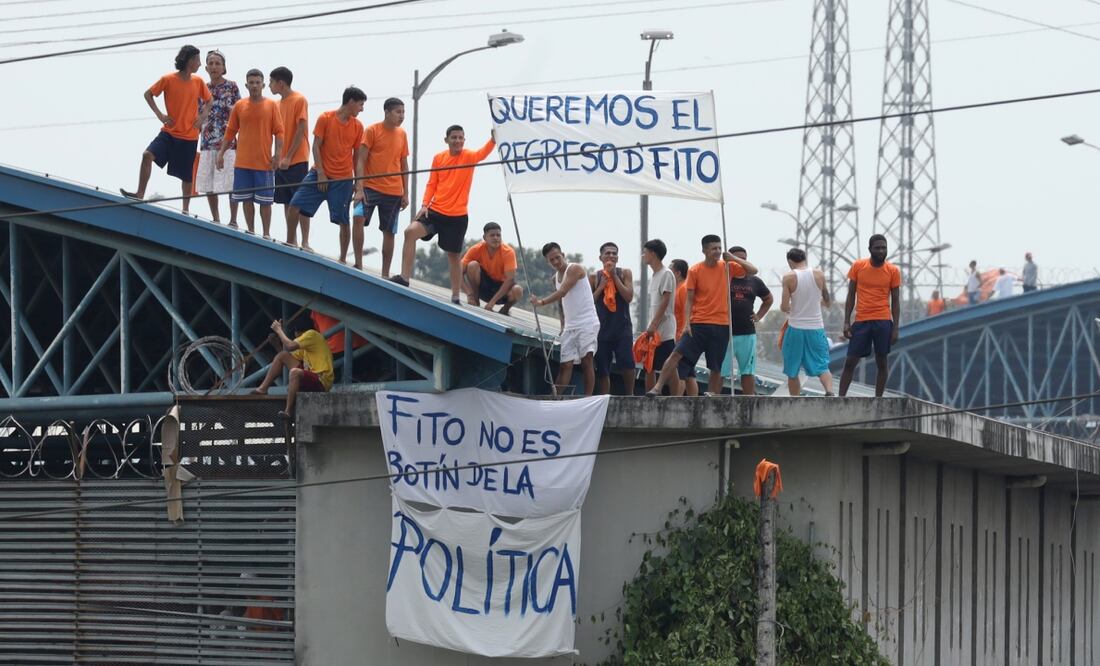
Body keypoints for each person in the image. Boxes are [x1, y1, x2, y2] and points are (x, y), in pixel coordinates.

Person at [391, 125, 496, 303]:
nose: (457, 141)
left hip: (457, 216)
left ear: (464, 140)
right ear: (446, 140)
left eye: (460, 138)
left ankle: (455, 295)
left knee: (453, 255)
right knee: (410, 232)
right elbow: (432, 183)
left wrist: (493, 139)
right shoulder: (439, 158)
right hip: (435, 211)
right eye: (454, 137)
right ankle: (404, 277)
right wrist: (424, 205)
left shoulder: (469, 156)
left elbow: (483, 153)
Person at [646, 235, 757, 397]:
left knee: (716, 365)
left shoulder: (728, 267)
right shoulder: (695, 270)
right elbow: (689, 299)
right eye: (713, 248)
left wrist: (732, 257)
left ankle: (711, 393)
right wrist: (687, 323)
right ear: (704, 250)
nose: (717, 251)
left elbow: (753, 270)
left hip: (721, 324)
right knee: (676, 354)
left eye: (719, 248)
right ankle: (657, 387)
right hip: (698, 323)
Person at [122, 45, 211, 214]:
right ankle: (140, 193)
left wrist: (202, 116)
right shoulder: (168, 79)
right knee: (147, 155)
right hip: (169, 132)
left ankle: (185, 209)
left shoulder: (198, 82)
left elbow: (209, 100)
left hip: (189, 136)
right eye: (198, 60)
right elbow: (148, 94)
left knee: (186, 175)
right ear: (189, 61)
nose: (200, 64)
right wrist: (160, 114)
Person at [287, 87, 366, 252]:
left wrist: (358, 185)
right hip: (319, 173)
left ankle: (343, 258)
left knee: (343, 220)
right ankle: (290, 242)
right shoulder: (326, 118)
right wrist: (321, 173)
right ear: (350, 102)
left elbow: (357, 157)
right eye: (360, 105)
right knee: (295, 205)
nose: (362, 109)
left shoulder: (358, 126)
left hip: (343, 179)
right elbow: (316, 146)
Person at [217, 69, 284, 238]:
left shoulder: (271, 105)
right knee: (246, 199)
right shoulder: (240, 106)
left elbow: (279, 132)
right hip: (243, 163)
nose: (254, 85)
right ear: (246, 85)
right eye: (251, 83)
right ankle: (251, 231)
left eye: (257, 82)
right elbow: (231, 131)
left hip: (264, 163)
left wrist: (278, 154)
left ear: (263, 85)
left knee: (265, 201)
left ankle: (266, 233)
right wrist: (221, 153)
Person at [531, 243, 599, 396]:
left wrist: (541, 302)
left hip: (587, 322)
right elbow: (561, 303)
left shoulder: (575, 269)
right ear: (548, 262)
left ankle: (587, 398)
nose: (556, 262)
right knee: (565, 365)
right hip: (570, 325)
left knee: (586, 360)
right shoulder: (555, 278)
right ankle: (555, 397)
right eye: (551, 260)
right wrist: (563, 324)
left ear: (563, 254)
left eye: (557, 257)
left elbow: (562, 292)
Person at [838, 234, 901, 397]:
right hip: (861, 320)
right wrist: (846, 322)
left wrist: (895, 327)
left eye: (884, 247)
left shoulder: (893, 270)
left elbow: (895, 300)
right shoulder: (858, 266)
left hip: (883, 320)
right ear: (870, 249)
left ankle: (878, 399)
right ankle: (840, 398)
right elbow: (851, 295)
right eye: (877, 248)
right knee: (851, 361)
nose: (881, 251)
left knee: (882, 360)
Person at [354, 97, 410, 273]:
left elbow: (404, 165)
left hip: (393, 191)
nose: (401, 116)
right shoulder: (372, 130)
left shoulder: (402, 134)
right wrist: (359, 188)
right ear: (387, 112)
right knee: (357, 217)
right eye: (398, 112)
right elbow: (361, 160)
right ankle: (358, 263)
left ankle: (385, 273)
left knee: (389, 231)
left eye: (403, 112)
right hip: (370, 187)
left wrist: (405, 193)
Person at [251, 314, 334, 420]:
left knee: (295, 372)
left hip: (321, 380)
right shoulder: (307, 345)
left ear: (298, 332)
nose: (295, 337)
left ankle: (288, 411)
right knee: (283, 356)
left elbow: (290, 345)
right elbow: (286, 357)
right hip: (313, 378)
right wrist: (277, 345)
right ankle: (263, 388)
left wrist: (279, 330)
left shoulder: (312, 334)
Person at [779, 247, 834, 396]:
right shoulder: (819, 274)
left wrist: (794, 307)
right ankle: (829, 391)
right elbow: (828, 301)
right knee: (822, 365)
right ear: (804, 259)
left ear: (790, 261)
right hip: (816, 327)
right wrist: (815, 302)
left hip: (795, 328)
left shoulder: (789, 277)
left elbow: (784, 307)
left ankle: (795, 399)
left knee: (792, 369)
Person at [194, 50, 240, 225]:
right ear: (206, 67)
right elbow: (197, 115)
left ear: (223, 67)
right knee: (208, 184)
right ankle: (216, 218)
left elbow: (240, 112)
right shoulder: (201, 88)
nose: (214, 67)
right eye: (211, 63)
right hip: (206, 140)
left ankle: (233, 220)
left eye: (217, 63)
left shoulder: (232, 86)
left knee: (230, 183)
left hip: (228, 142)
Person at [720, 246, 772, 396]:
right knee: (719, 370)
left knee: (748, 370)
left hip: (747, 333)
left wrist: (759, 316)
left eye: (744, 259)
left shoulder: (754, 281)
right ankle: (713, 398)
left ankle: (748, 399)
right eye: (737, 258)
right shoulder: (723, 277)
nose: (741, 262)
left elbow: (768, 299)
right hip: (724, 331)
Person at [269, 67, 310, 244]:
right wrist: (277, 156)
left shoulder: (299, 99)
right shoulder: (276, 104)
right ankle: (291, 240)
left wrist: (289, 157)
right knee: (286, 201)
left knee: (300, 202)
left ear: (281, 83)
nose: (269, 86)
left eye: (271, 82)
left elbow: (301, 129)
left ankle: (305, 241)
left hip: (297, 159)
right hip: (281, 161)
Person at [591, 241, 635, 396]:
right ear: (600, 257)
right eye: (607, 253)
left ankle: (630, 395)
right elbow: (589, 302)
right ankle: (604, 398)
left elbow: (628, 297)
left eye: (614, 253)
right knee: (602, 367)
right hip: (602, 328)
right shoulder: (594, 277)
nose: (611, 256)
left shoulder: (625, 273)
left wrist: (614, 276)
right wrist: (602, 286)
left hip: (622, 327)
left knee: (628, 363)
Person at [641, 239, 679, 395]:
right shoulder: (655, 275)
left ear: (653, 254)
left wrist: (654, 324)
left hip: (665, 329)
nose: (642, 255)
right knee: (649, 365)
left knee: (669, 366)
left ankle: (677, 399)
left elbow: (665, 300)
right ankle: (650, 396)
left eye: (645, 252)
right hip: (655, 328)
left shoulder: (666, 274)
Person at [461, 222, 522, 314]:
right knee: (472, 265)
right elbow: (458, 272)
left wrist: (492, 302)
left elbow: (510, 279)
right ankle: (475, 300)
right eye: (492, 235)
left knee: (518, 290)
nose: (496, 238)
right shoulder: (476, 249)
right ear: (485, 237)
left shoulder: (508, 252)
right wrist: (469, 294)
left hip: (501, 289)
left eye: (498, 235)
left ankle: (505, 310)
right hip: (484, 286)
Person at [669, 258, 698, 396]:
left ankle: (676, 401)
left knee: (680, 370)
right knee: (689, 372)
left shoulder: (683, 289)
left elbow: (690, 311)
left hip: (683, 334)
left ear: (678, 273)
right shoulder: (677, 289)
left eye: (671, 271)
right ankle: (695, 402)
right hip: (679, 333)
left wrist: (683, 332)